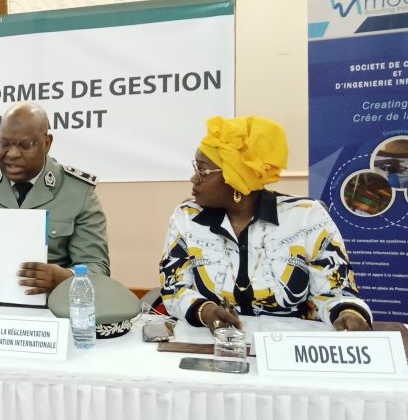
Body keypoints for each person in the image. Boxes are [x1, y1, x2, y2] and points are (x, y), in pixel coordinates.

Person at [159, 116, 372, 332]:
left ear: (236, 176)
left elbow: (336, 291)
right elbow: (174, 289)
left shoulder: (306, 216)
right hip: (212, 342)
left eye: (203, 170)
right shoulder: (187, 218)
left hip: (289, 343)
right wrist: (204, 311)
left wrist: (348, 314)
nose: (194, 178)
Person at [0, 102, 110, 295]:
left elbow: (97, 268)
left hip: (52, 305)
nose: (12, 154)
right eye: (4, 144)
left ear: (47, 143)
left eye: (25, 145)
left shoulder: (78, 192)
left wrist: (63, 278)